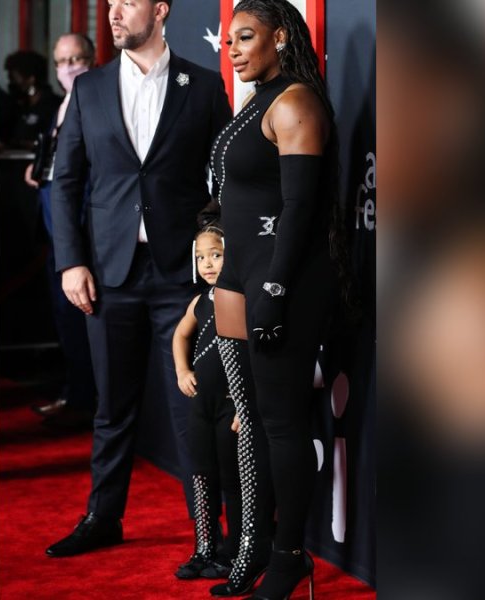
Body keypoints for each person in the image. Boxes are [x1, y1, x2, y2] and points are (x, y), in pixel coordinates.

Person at [44, 0, 232, 558]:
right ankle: (104, 517)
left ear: (161, 10)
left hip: (181, 277)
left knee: (191, 408)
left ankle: (208, 534)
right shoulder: (91, 89)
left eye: (128, 2)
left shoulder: (201, 86)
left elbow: (222, 175)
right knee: (112, 407)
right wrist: (71, 261)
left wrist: (212, 247)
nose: (114, 13)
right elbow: (67, 182)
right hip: (110, 274)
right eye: (110, 4)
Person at [209, 1, 341, 598]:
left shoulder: (294, 101)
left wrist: (276, 289)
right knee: (252, 423)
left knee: (283, 426)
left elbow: (301, 211)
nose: (232, 49)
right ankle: (255, 543)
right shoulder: (256, 100)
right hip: (239, 276)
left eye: (246, 37)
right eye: (230, 39)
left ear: (280, 37)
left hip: (279, 282)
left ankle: (290, 557)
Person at [24, 33, 98, 421]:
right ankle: (75, 394)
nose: (68, 68)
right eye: (61, 61)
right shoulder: (61, 104)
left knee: (81, 321)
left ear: (93, 58)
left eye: (76, 59)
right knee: (64, 321)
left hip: (83, 232)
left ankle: (84, 400)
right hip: (55, 231)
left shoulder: (99, 99)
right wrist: (38, 170)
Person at [172, 221, 241, 580]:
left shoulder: (242, 299)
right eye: (201, 257)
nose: (208, 263)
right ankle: (204, 546)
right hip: (201, 406)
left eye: (216, 254)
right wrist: (182, 371)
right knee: (202, 475)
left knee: (233, 478)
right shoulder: (200, 302)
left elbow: (256, 357)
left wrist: (245, 406)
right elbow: (180, 335)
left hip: (231, 406)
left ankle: (235, 549)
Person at [3, 50, 61, 150]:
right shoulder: (19, 106)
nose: (11, 83)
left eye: (14, 78)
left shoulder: (53, 106)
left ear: (31, 78)